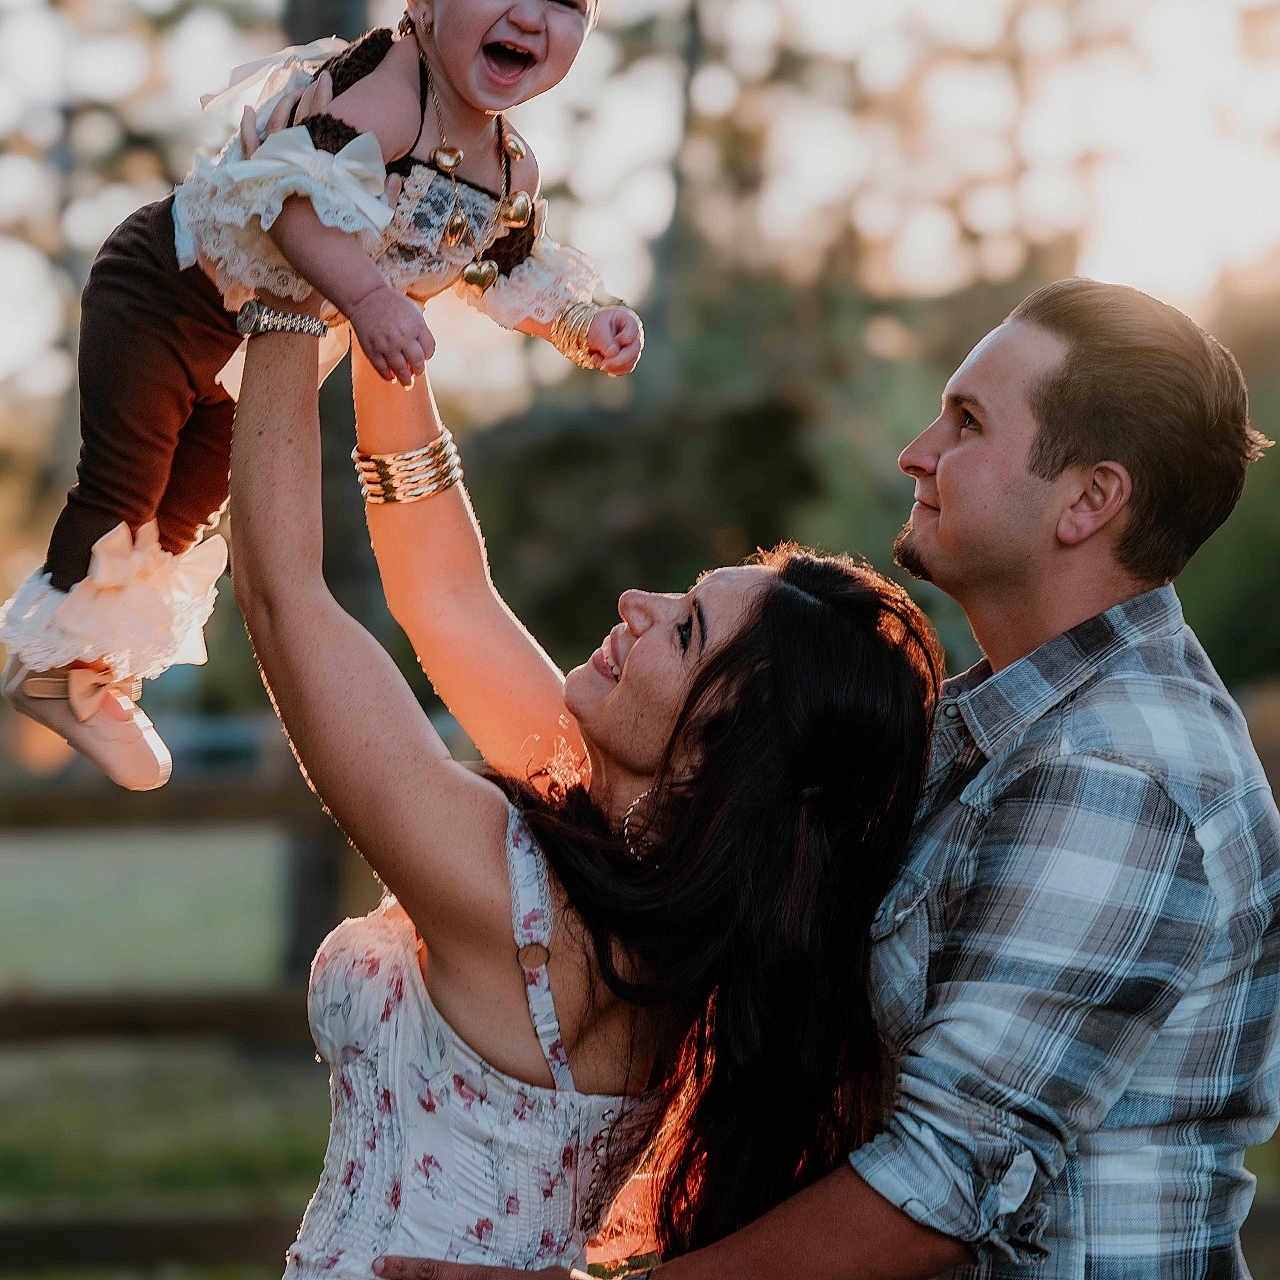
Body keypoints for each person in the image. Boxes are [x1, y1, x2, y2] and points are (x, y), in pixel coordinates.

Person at [372, 280, 1280, 1280]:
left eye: (967, 422)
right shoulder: (999, 733)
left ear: (1088, 499)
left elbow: (939, 1185)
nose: (915, 451)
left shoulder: (1115, 767)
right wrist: (382, 319)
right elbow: (464, 622)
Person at [225, 247, 943, 1273]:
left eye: (686, 631)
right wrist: (391, 312)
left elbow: (281, 599)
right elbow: (446, 597)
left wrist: (290, 277)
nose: (635, 605)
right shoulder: (636, 906)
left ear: (712, 764)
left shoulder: (517, 904)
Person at [0, 0, 641, 791]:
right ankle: (51, 669)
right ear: (425, 6)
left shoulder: (509, 168)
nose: (531, 15)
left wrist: (585, 323)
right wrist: (372, 301)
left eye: (566, 2)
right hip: (164, 294)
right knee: (125, 485)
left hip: (253, 352)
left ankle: (98, 670)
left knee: (183, 519)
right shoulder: (388, 96)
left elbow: (502, 271)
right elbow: (293, 206)